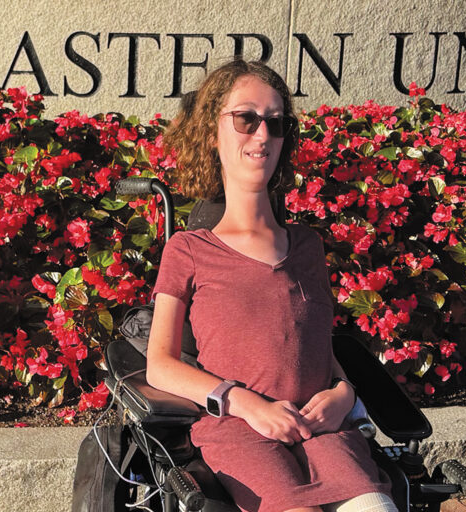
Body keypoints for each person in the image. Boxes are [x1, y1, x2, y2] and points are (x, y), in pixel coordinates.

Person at [145, 58, 396, 512]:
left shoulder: (306, 246)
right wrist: (244, 403)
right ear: (212, 131)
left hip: (320, 429)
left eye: (276, 123)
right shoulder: (189, 249)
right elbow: (159, 365)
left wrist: (344, 393)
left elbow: (317, 343)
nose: (262, 135)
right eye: (246, 119)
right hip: (241, 432)